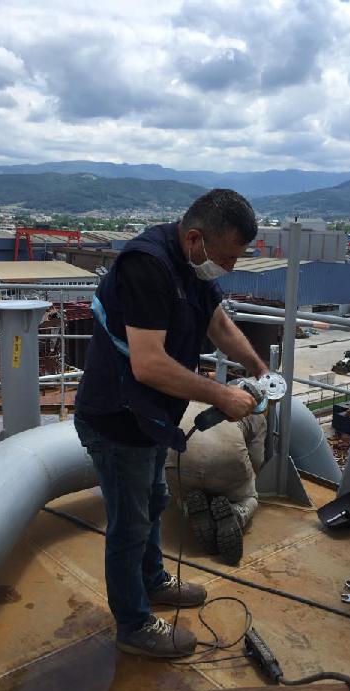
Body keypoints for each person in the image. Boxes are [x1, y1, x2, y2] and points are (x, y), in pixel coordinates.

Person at [74, 189, 268, 659]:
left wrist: (258, 368)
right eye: (226, 257)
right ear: (196, 238)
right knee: (130, 525)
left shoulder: (191, 266)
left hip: (154, 418)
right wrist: (222, 394)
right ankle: (134, 625)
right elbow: (148, 365)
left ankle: (153, 580)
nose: (229, 267)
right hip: (118, 418)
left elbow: (218, 324)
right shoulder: (147, 266)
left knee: (155, 500)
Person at [165, 401, 267, 565]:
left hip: (179, 461)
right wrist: (247, 479)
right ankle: (236, 513)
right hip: (226, 464)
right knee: (250, 498)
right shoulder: (255, 412)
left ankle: (189, 508)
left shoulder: (188, 398)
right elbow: (257, 459)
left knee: (182, 496)